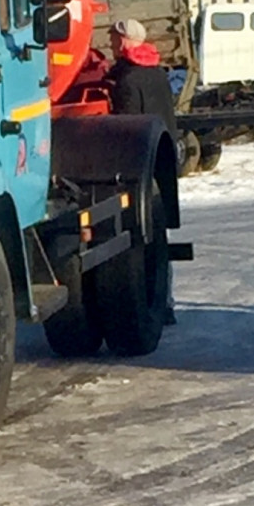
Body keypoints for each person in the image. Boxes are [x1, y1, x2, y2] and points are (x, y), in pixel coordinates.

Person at [106, 16, 178, 324]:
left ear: (123, 42)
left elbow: (125, 127)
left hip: (138, 168)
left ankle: (152, 301)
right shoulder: (157, 73)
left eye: (112, 39)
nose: (110, 44)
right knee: (157, 234)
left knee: (139, 235)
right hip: (161, 162)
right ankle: (167, 302)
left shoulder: (128, 80)